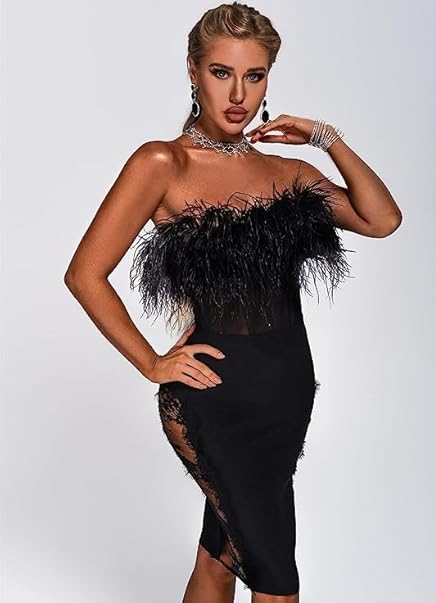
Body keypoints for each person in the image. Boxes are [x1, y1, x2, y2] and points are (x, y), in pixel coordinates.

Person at [64, 2, 402, 601]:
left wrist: (326, 140)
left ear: (269, 78)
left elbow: (382, 219)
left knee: (218, 561)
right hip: (213, 400)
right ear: (193, 71)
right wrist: (151, 362)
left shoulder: (288, 171)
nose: (239, 94)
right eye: (222, 73)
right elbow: (85, 274)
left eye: (255, 75)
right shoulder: (162, 163)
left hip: (287, 395)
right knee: (277, 582)